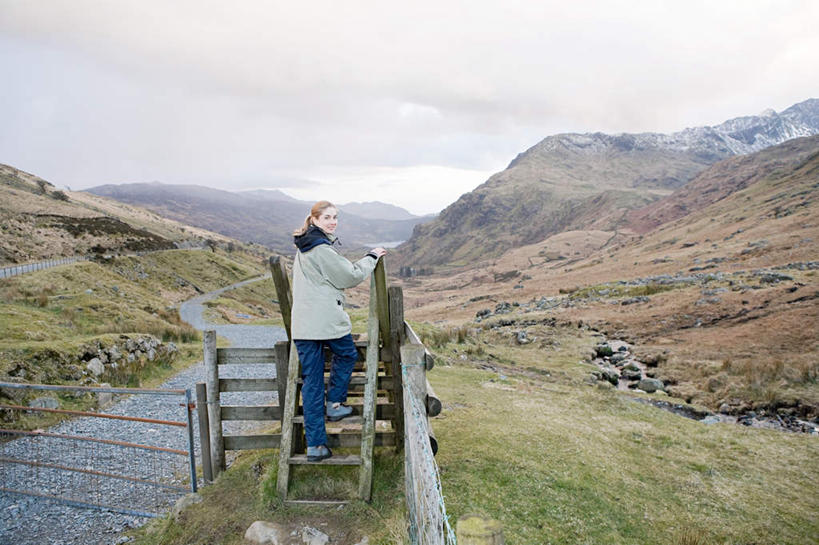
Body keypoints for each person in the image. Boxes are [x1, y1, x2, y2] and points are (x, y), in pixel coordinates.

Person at [290, 201, 387, 461]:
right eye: (327, 217)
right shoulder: (321, 248)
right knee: (346, 354)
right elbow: (349, 276)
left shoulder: (303, 246)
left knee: (311, 382)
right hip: (326, 323)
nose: (333, 222)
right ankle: (334, 404)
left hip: (303, 326)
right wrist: (371, 257)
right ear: (315, 219)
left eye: (335, 217)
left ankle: (315, 446)